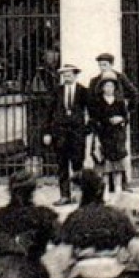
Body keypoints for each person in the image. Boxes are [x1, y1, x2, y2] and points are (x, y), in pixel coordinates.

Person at [43, 63, 89, 205]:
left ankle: (79, 195)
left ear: (75, 75)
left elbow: (92, 111)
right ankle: (65, 195)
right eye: (64, 75)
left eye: (69, 74)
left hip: (77, 133)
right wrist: (47, 132)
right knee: (62, 165)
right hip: (60, 133)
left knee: (77, 164)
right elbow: (48, 113)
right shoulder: (57, 91)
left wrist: (86, 130)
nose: (67, 77)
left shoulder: (83, 91)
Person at [85, 77, 130, 193]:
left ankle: (118, 187)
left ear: (114, 88)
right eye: (106, 86)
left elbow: (126, 117)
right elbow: (94, 118)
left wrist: (120, 119)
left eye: (111, 86)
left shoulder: (119, 102)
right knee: (104, 163)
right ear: (102, 88)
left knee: (118, 163)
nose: (109, 89)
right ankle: (105, 189)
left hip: (117, 136)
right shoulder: (98, 102)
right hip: (104, 135)